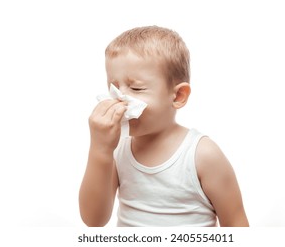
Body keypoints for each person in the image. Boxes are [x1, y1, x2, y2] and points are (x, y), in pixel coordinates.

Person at [79, 26, 249, 227]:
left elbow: (236, 224)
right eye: (114, 87)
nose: (120, 100)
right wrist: (100, 149)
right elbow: (93, 221)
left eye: (136, 88)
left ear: (177, 96)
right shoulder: (117, 149)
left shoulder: (202, 154)